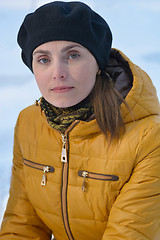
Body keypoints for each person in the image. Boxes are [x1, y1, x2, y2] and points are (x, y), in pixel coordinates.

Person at [0, 1, 160, 239]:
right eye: (44, 59)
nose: (58, 72)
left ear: (98, 63)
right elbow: (23, 225)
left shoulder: (149, 138)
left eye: (73, 55)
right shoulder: (29, 123)